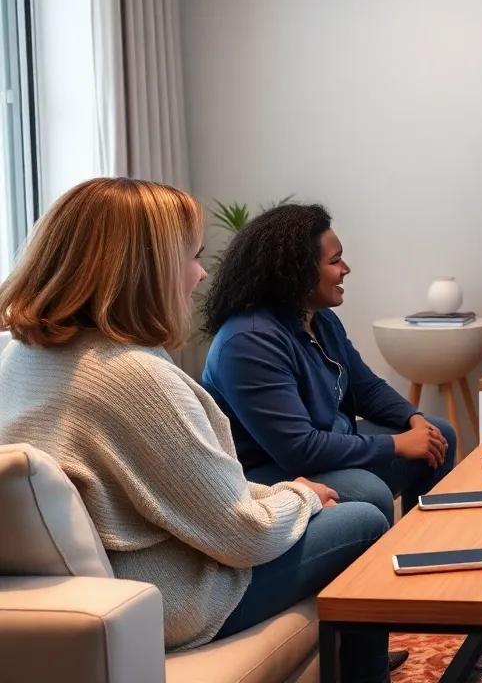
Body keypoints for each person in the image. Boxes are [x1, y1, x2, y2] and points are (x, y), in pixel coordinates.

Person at [0, 179, 394, 681]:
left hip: (113, 585)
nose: (201, 273)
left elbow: (180, 489)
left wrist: (285, 492)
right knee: (364, 520)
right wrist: (302, 498)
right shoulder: (132, 376)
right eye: (191, 257)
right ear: (146, 269)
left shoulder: (21, 352)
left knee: (347, 495)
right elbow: (242, 534)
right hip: (173, 598)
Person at [202, 203, 454, 528]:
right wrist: (397, 444)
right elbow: (299, 449)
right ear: (295, 272)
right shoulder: (248, 342)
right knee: (370, 492)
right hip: (267, 473)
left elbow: (367, 388)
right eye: (335, 261)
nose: (346, 268)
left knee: (438, 434)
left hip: (321, 446)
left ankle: (428, 548)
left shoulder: (321, 320)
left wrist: (414, 420)